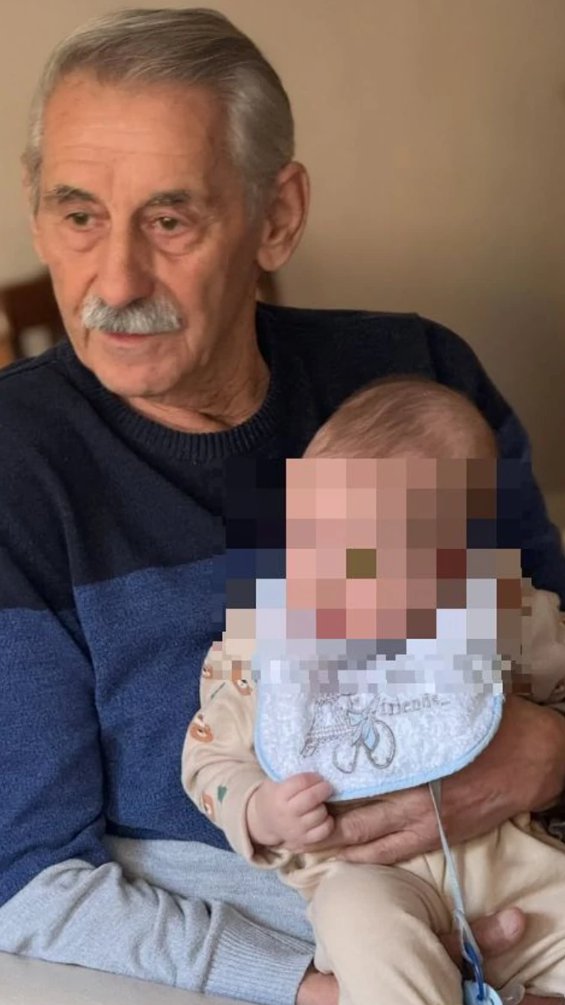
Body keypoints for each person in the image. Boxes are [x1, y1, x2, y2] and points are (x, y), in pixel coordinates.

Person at [0, 8, 563, 1005]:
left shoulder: (418, 376)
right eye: (79, 215)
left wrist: (551, 752)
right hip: (252, 947)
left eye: (169, 220)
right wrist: (326, 986)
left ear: (277, 216)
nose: (115, 281)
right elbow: (26, 877)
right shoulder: (17, 468)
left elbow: (546, 625)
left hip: (513, 874)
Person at [182, 376, 565, 1005]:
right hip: (367, 874)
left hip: (518, 871)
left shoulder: (505, 616)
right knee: (362, 924)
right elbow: (207, 759)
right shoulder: (268, 645)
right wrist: (258, 808)